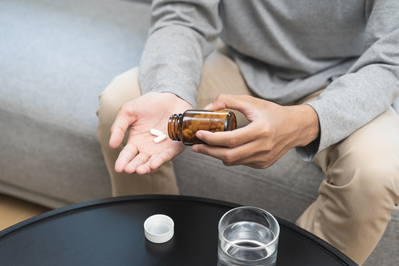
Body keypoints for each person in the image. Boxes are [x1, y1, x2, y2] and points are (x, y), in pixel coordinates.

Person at [96, 1, 399, 264]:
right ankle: (156, 253)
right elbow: (182, 13)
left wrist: (306, 122)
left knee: (375, 172)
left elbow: (389, 58)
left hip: (345, 81)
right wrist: (169, 89)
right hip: (239, 65)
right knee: (123, 105)